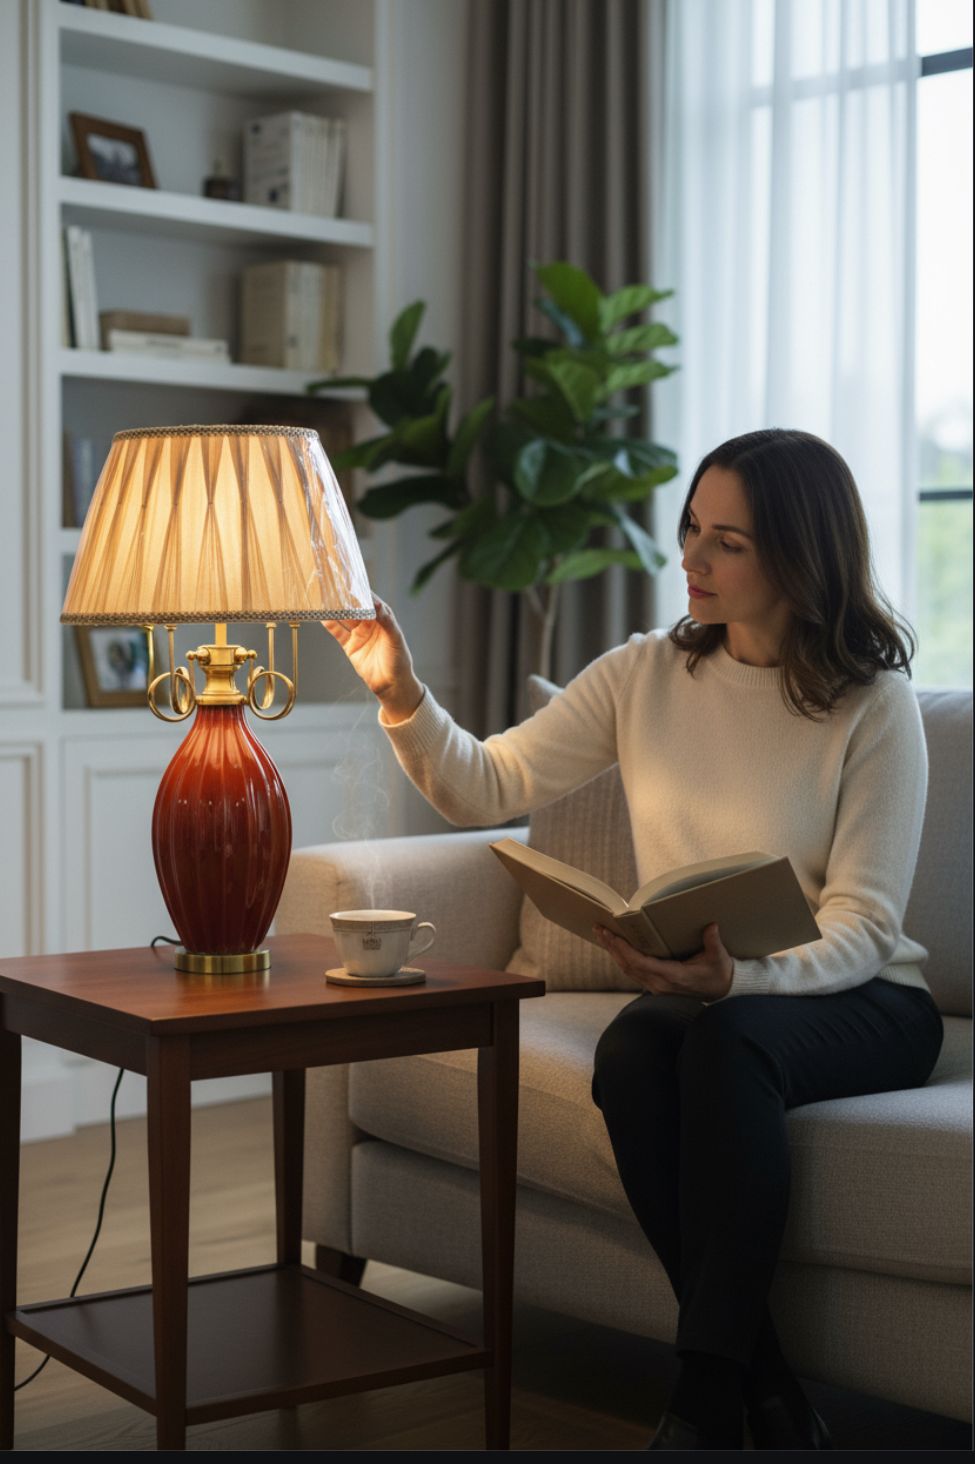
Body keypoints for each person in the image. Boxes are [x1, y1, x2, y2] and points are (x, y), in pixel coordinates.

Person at [323, 427, 944, 1451]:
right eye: (691, 529)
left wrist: (737, 976)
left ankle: (702, 1403)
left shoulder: (872, 705)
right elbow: (486, 783)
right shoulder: (647, 674)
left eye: (726, 543)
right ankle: (768, 1391)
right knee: (636, 1047)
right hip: (719, 995)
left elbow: (868, 927)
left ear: (799, 555)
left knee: (721, 1040)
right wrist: (400, 691)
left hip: (868, 1001)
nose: (690, 560)